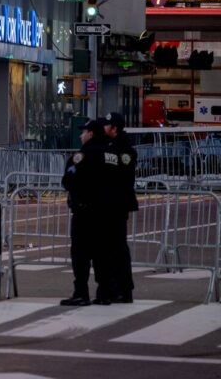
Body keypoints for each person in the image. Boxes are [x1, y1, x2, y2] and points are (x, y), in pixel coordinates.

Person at [60, 118, 111, 306]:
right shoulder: (111, 155)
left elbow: (68, 181)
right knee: (102, 254)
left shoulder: (81, 156)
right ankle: (104, 293)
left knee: (81, 254)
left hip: (84, 211)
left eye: (84, 132)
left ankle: (81, 292)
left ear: (91, 134)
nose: (81, 135)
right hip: (106, 212)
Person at [102, 112, 139, 303]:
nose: (104, 128)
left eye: (107, 125)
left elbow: (120, 177)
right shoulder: (112, 147)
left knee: (117, 247)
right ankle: (117, 287)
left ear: (114, 128)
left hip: (116, 205)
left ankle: (123, 288)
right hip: (112, 204)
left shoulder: (124, 150)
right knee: (112, 247)